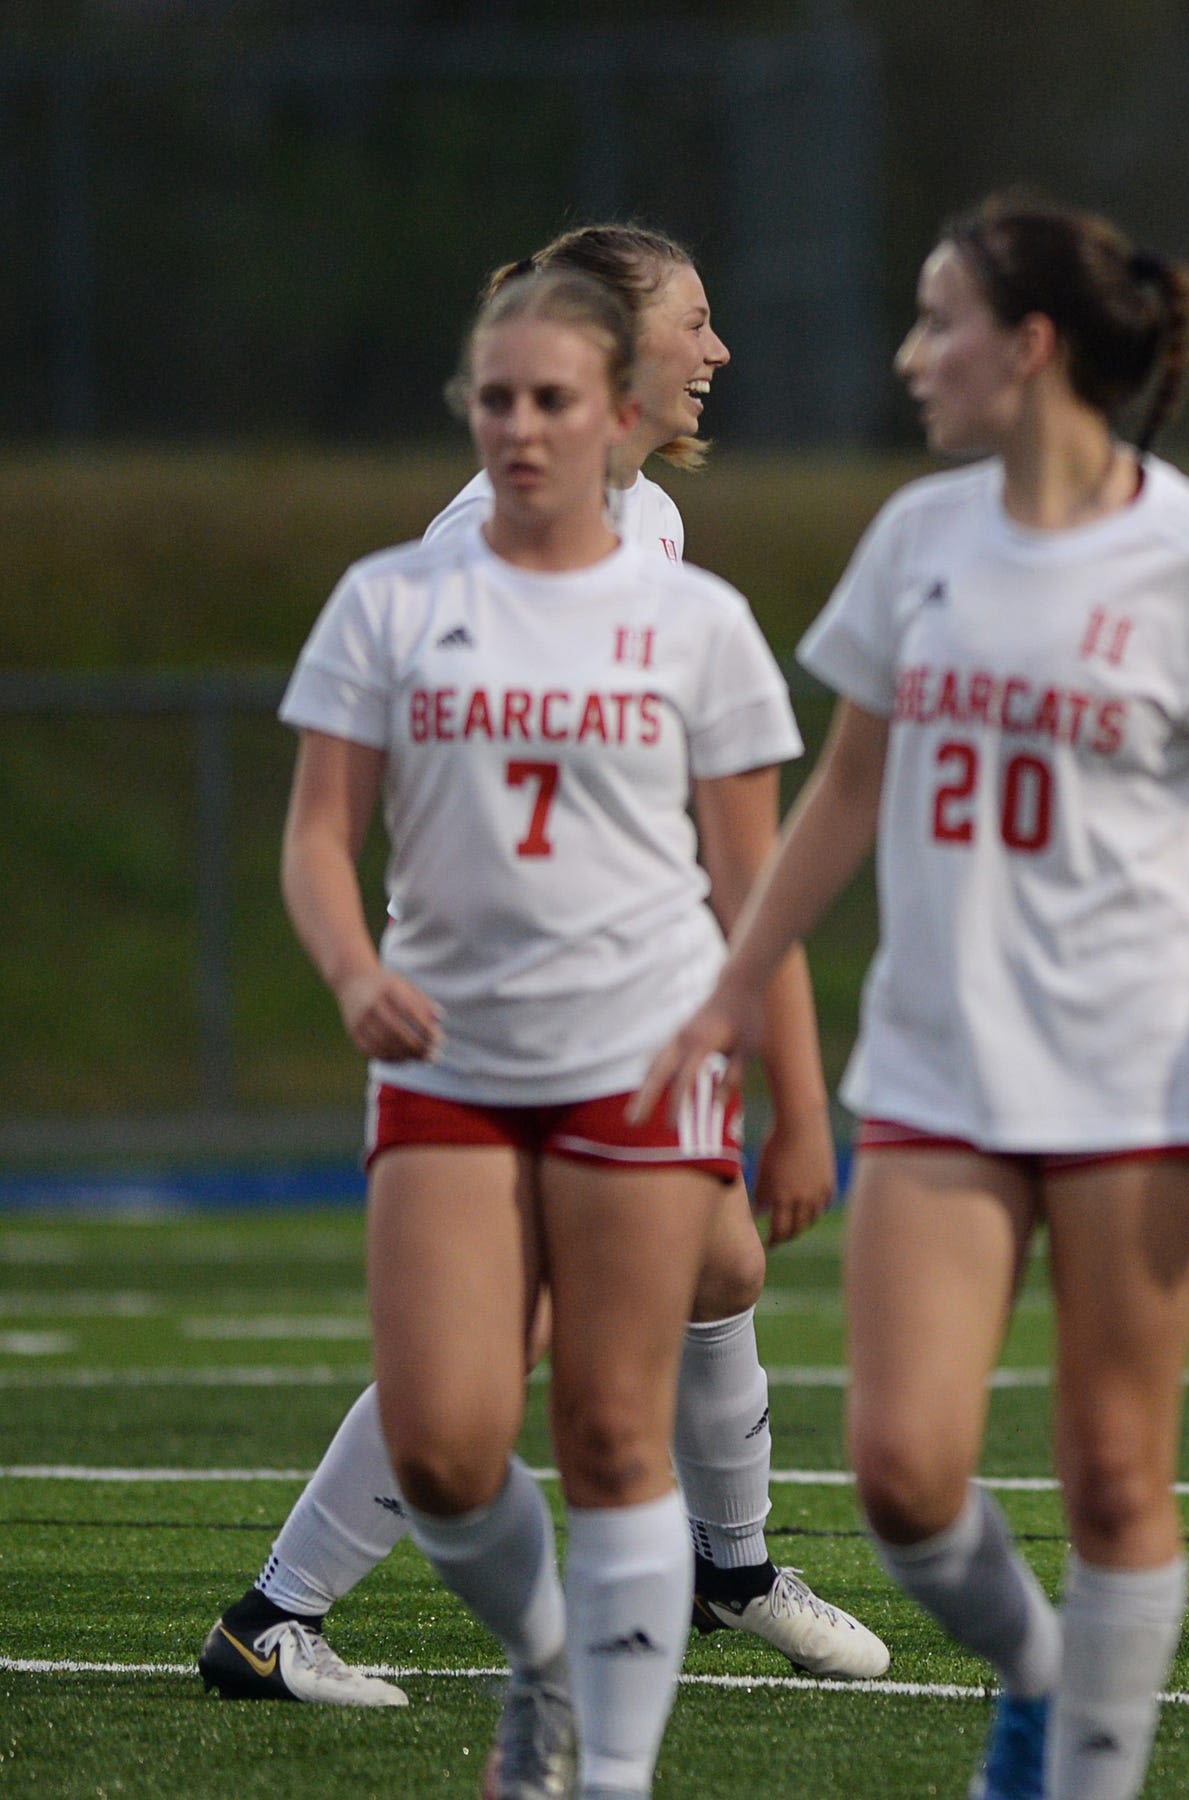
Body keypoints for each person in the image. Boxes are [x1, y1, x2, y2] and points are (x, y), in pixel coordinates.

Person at [635, 193, 1189, 1800]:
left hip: (1147, 1076)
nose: (910, 356)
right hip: (942, 1068)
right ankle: (1043, 1670)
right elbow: (842, 791)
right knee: (903, 1475)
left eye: (935, 320)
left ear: (1028, 348)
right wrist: (731, 988)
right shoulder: (919, 539)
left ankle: (1080, 1775)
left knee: (1115, 1479)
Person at [204, 225, 884, 1715]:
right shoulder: (454, 567)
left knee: (723, 1267)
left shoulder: (655, 535)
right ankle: (278, 1613)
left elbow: (723, 849)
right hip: (505, 1025)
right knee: (495, 1362)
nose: (718, 353)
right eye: (694, 324)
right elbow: (379, 824)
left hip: (640, 1016)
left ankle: (729, 1569)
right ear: (609, 348)